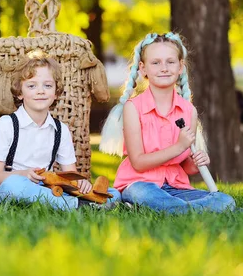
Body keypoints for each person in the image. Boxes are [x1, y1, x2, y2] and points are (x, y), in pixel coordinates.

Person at [100, 32, 236, 213]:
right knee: (144, 194)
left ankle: (178, 209)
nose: (164, 68)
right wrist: (179, 146)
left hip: (176, 188)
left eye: (170, 62)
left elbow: (185, 165)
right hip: (139, 185)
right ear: (143, 69)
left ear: (180, 67)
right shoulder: (133, 108)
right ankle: (193, 209)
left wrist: (195, 163)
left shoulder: (189, 111)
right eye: (155, 63)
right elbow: (139, 162)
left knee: (226, 200)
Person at [0, 51, 121, 210]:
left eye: (47, 85)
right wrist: (24, 174)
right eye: (32, 85)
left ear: (56, 93)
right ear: (20, 93)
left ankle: (77, 203)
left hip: (48, 189)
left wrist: (81, 183)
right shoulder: (6, 125)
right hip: (11, 188)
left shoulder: (60, 130)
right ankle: (79, 206)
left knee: (114, 193)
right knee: (15, 186)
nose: (40, 91)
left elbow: (70, 175)